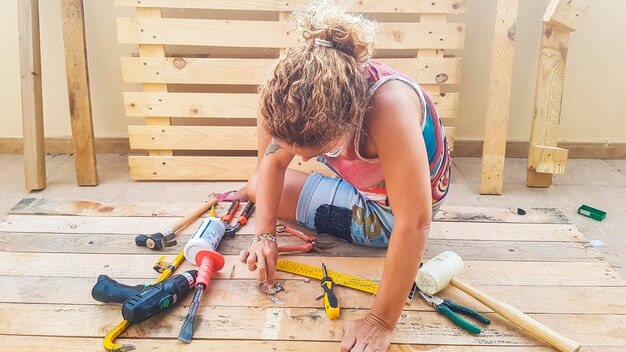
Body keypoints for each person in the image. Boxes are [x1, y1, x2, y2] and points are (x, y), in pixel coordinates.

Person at [237, 1, 451, 350]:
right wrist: (263, 236)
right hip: (367, 184)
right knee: (257, 187)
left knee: (257, 191)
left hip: (390, 214)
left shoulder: (388, 108)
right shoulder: (289, 90)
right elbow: (271, 165)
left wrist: (380, 321)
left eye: (315, 151)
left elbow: (414, 223)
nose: (302, 158)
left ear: (354, 118)